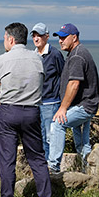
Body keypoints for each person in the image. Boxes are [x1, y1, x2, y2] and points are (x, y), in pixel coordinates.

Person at [0, 22, 53, 197]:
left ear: (10, 39)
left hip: (9, 111)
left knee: (7, 159)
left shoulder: (1, 60)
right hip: (32, 111)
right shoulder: (37, 59)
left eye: (4, 38)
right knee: (37, 157)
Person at [48, 23, 99, 173]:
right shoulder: (78, 52)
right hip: (83, 104)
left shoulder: (77, 56)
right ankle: (89, 172)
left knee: (57, 124)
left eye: (64, 37)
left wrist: (63, 108)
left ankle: (53, 166)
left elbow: (74, 84)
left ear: (74, 37)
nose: (60, 41)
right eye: (59, 37)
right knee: (82, 143)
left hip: (83, 106)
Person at [31, 23, 65, 163]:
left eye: (39, 35)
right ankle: (44, 166)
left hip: (51, 102)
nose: (36, 38)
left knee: (51, 137)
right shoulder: (32, 55)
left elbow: (63, 76)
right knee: (40, 136)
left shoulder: (55, 54)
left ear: (47, 36)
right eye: (34, 35)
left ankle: (53, 166)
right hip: (36, 102)